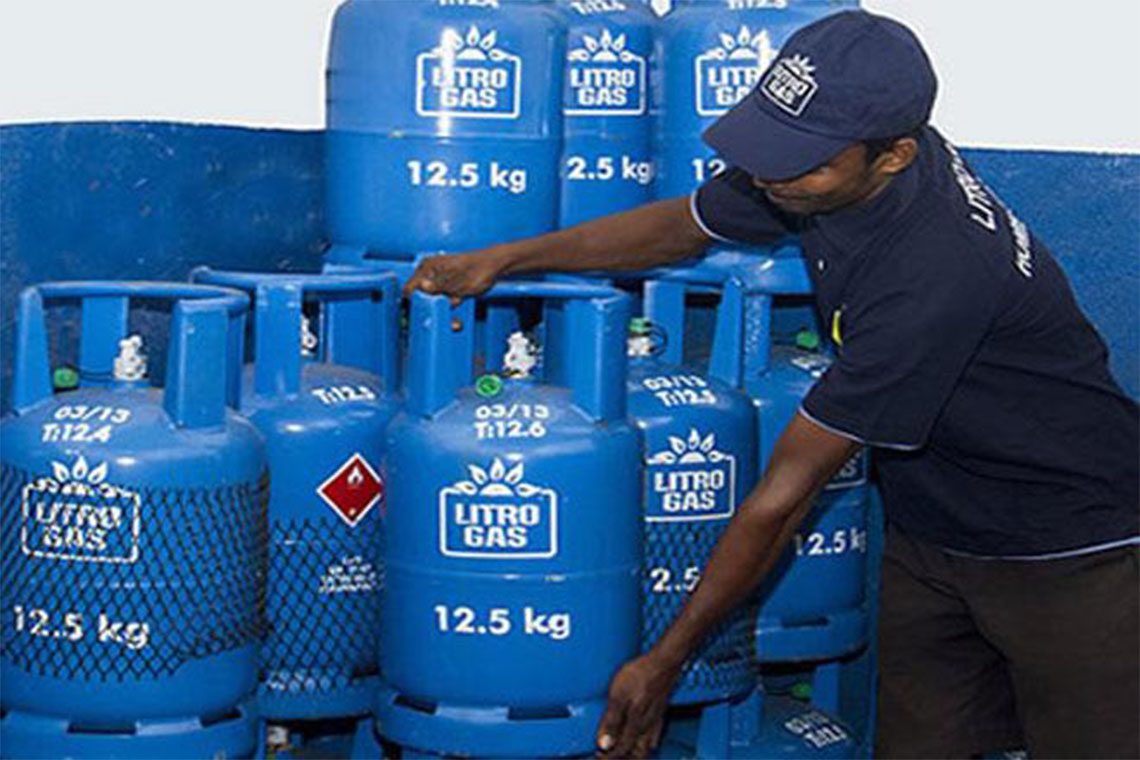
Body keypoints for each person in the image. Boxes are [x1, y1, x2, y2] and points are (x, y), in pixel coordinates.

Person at [404, 10, 1140, 759]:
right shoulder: (830, 162)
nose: (768, 175)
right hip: (935, 532)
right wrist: (506, 258)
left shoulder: (932, 276)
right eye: (770, 146)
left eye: (800, 162)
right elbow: (684, 225)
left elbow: (783, 497)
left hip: (1067, 547)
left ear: (894, 157)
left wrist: (665, 663)